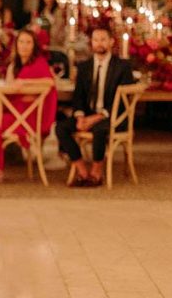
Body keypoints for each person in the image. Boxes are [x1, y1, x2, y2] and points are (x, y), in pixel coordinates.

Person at [0, 29, 56, 184]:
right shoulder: (13, 66)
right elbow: (9, 90)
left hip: (28, 117)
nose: (24, 46)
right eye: (21, 42)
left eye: (28, 42)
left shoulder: (39, 63)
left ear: (34, 45)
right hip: (14, 110)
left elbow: (50, 82)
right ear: (16, 45)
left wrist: (24, 83)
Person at [55, 27, 135, 186]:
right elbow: (78, 96)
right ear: (91, 43)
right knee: (61, 128)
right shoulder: (84, 67)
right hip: (87, 114)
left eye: (103, 39)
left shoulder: (122, 67)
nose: (99, 43)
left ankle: (97, 171)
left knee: (99, 129)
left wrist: (97, 117)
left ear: (111, 42)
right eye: (96, 39)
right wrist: (79, 116)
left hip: (113, 117)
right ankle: (81, 169)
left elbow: (123, 102)